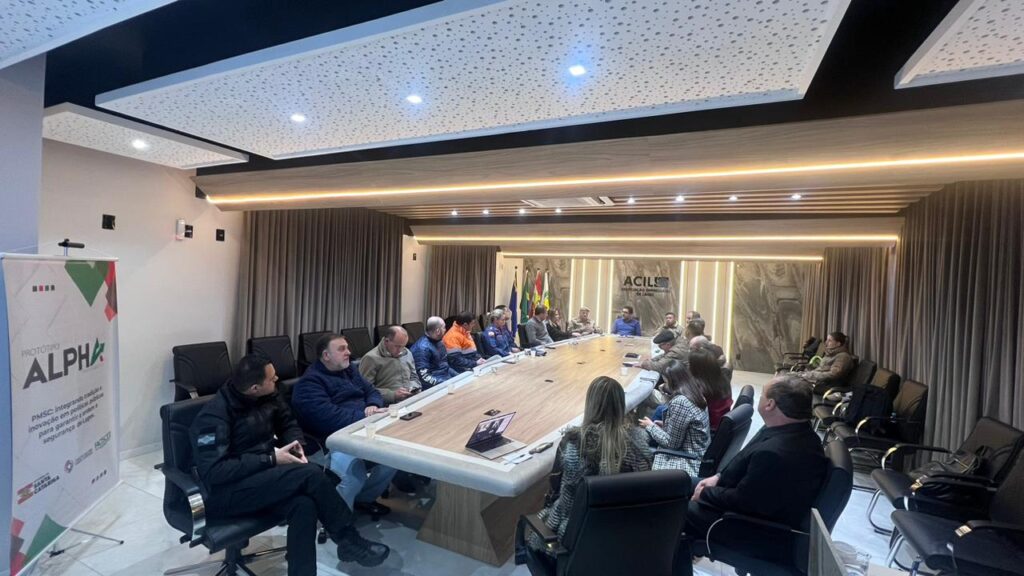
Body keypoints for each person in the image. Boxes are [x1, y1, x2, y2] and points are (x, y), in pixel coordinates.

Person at [190, 354, 390, 573]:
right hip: (225, 492)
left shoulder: (268, 395)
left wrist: (296, 445)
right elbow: (215, 472)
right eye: (271, 378)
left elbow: (288, 423)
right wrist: (270, 458)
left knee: (304, 505)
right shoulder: (213, 417)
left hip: (259, 476)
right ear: (255, 388)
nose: (277, 379)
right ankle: (349, 541)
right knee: (311, 475)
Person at [685, 374, 829, 565]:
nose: (760, 399)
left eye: (762, 395)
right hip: (747, 503)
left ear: (770, 404)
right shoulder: (795, 431)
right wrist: (718, 477)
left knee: (669, 506)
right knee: (679, 482)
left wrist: (705, 494)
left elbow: (743, 501)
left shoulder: (775, 454)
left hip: (747, 527)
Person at [519, 376, 652, 566]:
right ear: (620, 405)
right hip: (626, 535)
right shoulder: (639, 444)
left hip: (575, 538)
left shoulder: (573, 443)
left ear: (590, 405)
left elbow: (558, 494)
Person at [291, 334, 396, 517]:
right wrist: (365, 416)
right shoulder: (310, 383)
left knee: (393, 459)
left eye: (347, 347)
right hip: (331, 441)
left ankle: (363, 499)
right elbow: (329, 418)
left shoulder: (349, 370)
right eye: (341, 349)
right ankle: (339, 521)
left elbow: (372, 391)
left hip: (361, 429)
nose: (348, 352)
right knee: (353, 476)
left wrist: (373, 405)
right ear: (326, 356)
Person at [638, 360, 710, 478]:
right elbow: (686, 427)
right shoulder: (695, 392)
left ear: (672, 382)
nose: (665, 385)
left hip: (686, 460)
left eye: (666, 381)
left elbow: (671, 444)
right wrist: (665, 425)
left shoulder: (681, 402)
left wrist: (650, 426)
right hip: (698, 452)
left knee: (638, 447)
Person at [358, 325, 419, 405]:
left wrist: (414, 388)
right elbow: (365, 389)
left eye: (403, 346)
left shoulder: (407, 353)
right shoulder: (371, 358)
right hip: (387, 404)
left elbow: (414, 376)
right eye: (397, 346)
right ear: (386, 341)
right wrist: (392, 395)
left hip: (409, 400)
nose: (400, 350)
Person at [688, 348, 733, 431]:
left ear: (696, 368)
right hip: (721, 424)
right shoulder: (724, 379)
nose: (688, 366)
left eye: (690, 364)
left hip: (708, 428)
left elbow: (688, 411)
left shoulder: (700, 388)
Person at [410, 316, 458, 387]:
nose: (445, 330)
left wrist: (459, 376)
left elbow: (445, 367)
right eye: (444, 327)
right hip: (434, 386)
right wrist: (446, 383)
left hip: (445, 379)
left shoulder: (439, 342)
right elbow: (424, 377)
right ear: (438, 331)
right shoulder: (421, 349)